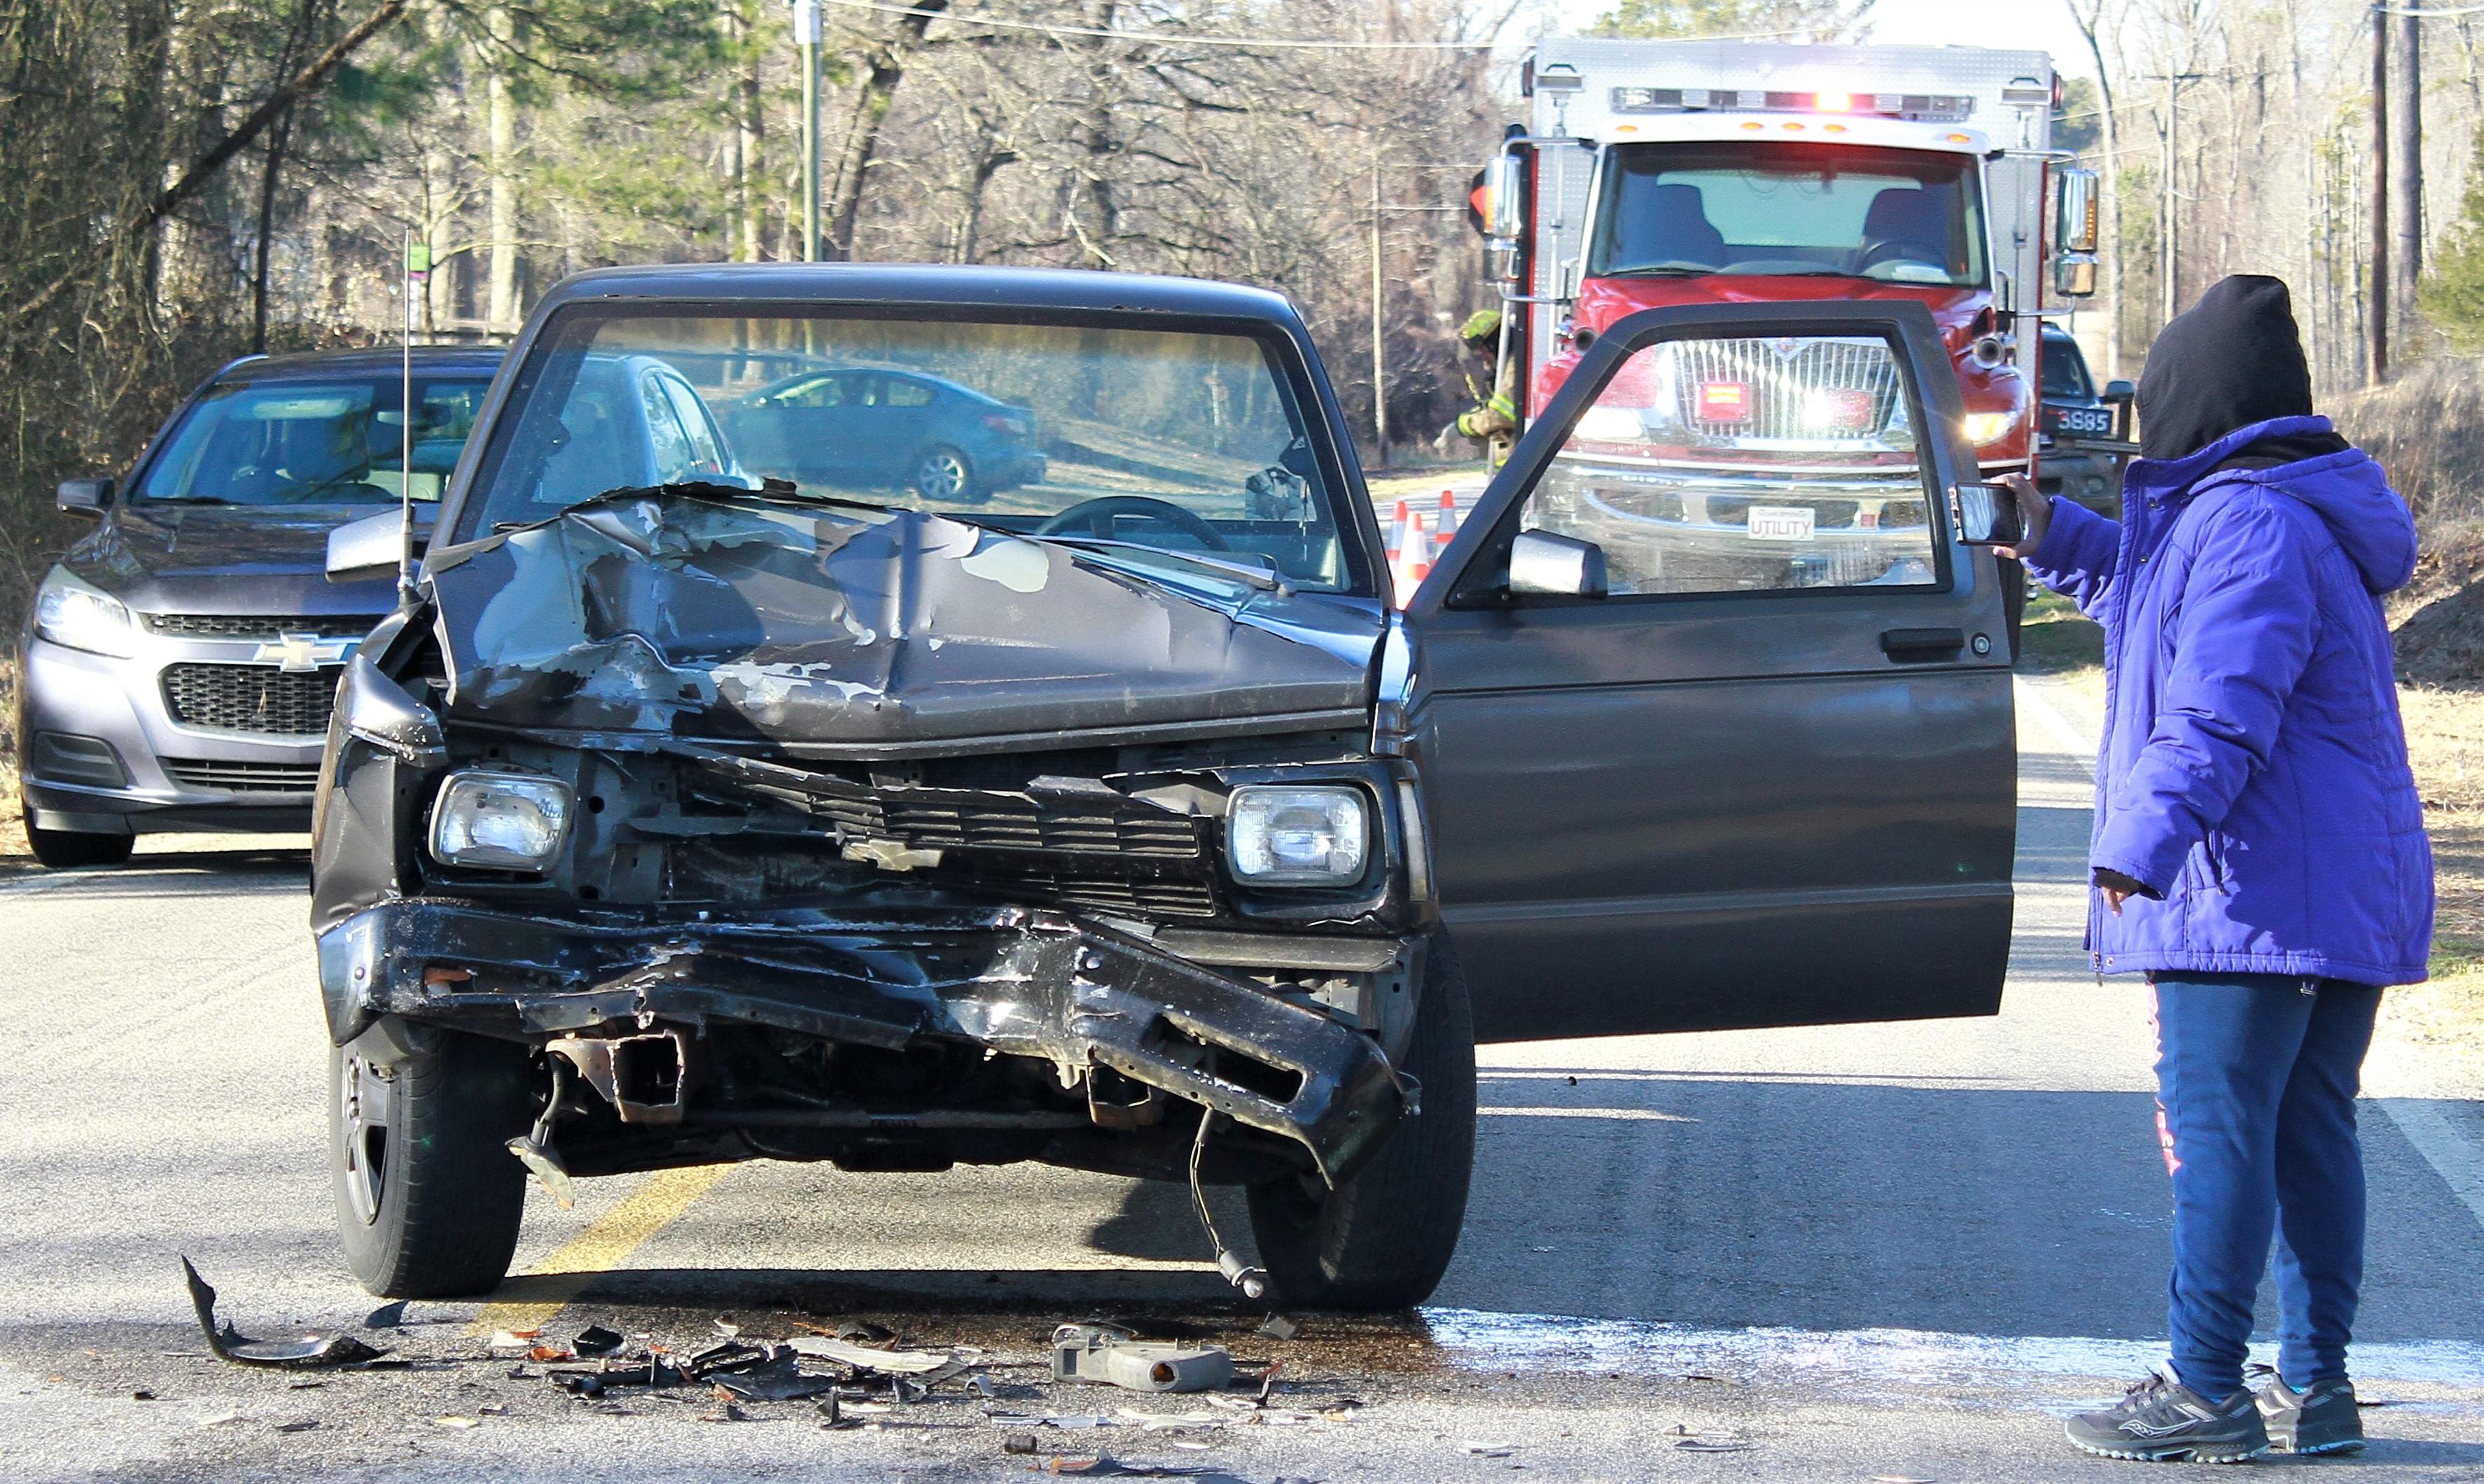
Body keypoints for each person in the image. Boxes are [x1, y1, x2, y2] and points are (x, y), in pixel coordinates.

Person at [2000, 274, 2433, 1464]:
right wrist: (2042, 532)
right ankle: (2313, 1390)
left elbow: (2215, 715)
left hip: (2251, 898)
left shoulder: (2246, 522)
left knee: (2218, 1130)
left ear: (2197, 401)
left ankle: (2203, 1390)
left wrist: (2137, 849)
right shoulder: (2260, 511)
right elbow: (2144, 599)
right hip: (2316, 895)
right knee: (2301, 1133)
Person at [1442, 309, 1517, 467]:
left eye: (1482, 351)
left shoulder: (1515, 368)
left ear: (1493, 344)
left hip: (1517, 469)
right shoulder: (1511, 365)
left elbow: (1502, 415)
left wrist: (1462, 426)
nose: (1483, 359)